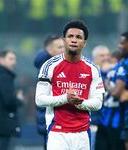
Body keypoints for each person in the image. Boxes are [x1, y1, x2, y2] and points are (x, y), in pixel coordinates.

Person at [35, 19, 105, 150]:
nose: (74, 40)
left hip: (83, 133)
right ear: (64, 40)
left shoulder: (93, 69)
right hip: (57, 132)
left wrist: (80, 102)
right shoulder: (49, 66)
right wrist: (65, 98)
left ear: (84, 43)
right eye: (70, 36)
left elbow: (98, 103)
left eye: (78, 37)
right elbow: (39, 100)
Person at [34, 35, 64, 150]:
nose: (63, 50)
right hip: (52, 118)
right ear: (49, 50)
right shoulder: (48, 67)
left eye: (63, 47)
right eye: (60, 47)